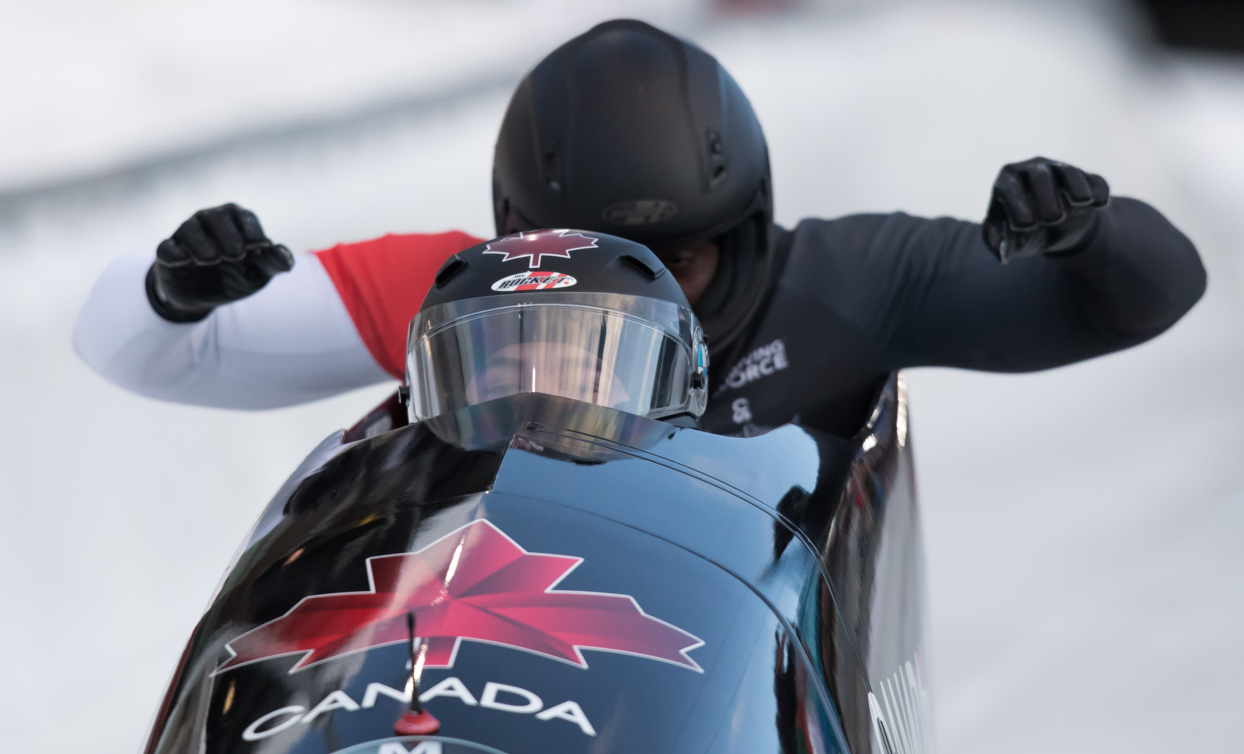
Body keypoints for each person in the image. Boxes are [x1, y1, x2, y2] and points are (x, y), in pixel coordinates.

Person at [73, 19, 1206, 438]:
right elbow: (143, 351)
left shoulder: (852, 280)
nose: (643, 296)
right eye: (590, 263)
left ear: (745, 234)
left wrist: (1090, 235)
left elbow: (1149, 293)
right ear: (516, 240)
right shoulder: (452, 291)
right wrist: (175, 293)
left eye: (679, 259)